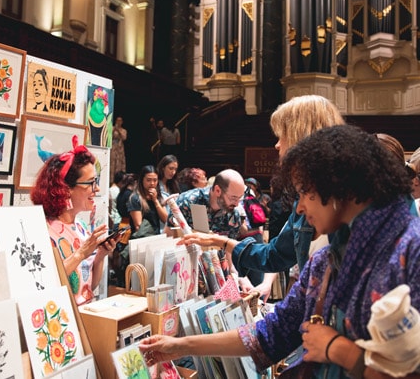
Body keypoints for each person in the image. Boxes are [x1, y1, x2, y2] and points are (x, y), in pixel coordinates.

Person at [140, 124, 420, 379]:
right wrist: (178, 346)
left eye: (304, 192)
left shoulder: (410, 251)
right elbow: (271, 333)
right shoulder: (326, 261)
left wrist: (338, 350)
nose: (299, 207)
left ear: (337, 187)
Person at [179, 95, 345, 299]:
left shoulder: (348, 208)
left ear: (300, 138)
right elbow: (273, 256)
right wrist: (220, 241)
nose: (276, 145)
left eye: (282, 136)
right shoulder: (303, 204)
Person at [30, 136, 116, 305]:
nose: (97, 189)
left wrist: (100, 256)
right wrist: (80, 254)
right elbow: (47, 283)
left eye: (96, 182)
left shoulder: (81, 227)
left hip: (86, 319)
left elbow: (88, 287)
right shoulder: (44, 231)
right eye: (91, 183)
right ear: (66, 189)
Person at [127, 165, 168, 237]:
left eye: (155, 180)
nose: (152, 183)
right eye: (148, 180)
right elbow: (138, 225)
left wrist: (155, 201)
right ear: (142, 180)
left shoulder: (158, 196)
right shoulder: (135, 198)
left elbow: (165, 219)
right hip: (141, 238)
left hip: (156, 237)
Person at [110, 117, 127, 182]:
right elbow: (109, 136)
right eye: (117, 120)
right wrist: (114, 129)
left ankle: (119, 180)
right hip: (113, 148)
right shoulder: (112, 128)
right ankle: (111, 181)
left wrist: (118, 130)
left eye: (120, 121)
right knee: (112, 164)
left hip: (120, 150)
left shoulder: (123, 130)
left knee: (119, 164)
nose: (118, 122)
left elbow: (124, 137)